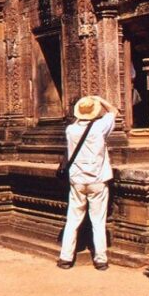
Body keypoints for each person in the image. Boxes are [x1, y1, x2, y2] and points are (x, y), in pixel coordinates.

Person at [57, 95, 118, 271]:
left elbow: (77, 123)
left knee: (73, 220)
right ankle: (100, 259)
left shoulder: (70, 130)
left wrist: (83, 112)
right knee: (98, 221)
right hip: (97, 179)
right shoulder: (100, 127)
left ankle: (65, 258)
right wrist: (99, 99)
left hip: (77, 180)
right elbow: (114, 111)